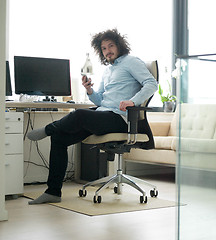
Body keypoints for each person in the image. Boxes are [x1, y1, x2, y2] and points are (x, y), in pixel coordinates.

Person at [27, 29, 158, 204]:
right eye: (104, 48)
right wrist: (89, 90)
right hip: (104, 115)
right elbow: (100, 99)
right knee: (59, 138)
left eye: (111, 46)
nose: (108, 50)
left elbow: (151, 84)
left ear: (119, 45)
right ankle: (53, 192)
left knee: (79, 114)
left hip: (121, 119)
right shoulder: (108, 70)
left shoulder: (131, 62)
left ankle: (48, 129)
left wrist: (133, 102)